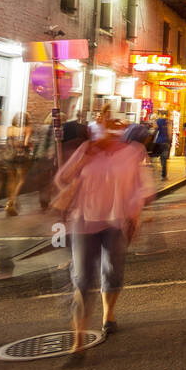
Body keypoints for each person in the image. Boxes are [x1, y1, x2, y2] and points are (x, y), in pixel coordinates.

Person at [53, 115, 152, 357]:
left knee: (113, 270)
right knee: (83, 279)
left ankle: (108, 315)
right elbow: (62, 179)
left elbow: (145, 187)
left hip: (117, 221)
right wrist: (83, 159)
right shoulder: (87, 151)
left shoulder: (134, 152)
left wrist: (134, 213)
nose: (106, 136)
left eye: (112, 131)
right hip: (83, 221)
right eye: (100, 131)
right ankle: (78, 341)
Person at [3, 112, 33, 216]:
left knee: (11, 180)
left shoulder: (9, 128)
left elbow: (8, 142)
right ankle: (12, 201)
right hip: (20, 157)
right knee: (20, 180)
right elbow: (25, 143)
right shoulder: (27, 128)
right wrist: (30, 145)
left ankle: (8, 201)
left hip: (8, 156)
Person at [153, 111, 171, 180]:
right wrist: (169, 141)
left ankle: (155, 174)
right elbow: (169, 133)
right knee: (164, 159)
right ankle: (164, 175)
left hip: (158, 141)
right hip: (166, 142)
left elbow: (155, 129)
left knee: (156, 158)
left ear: (160, 114)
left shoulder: (158, 121)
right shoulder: (168, 121)